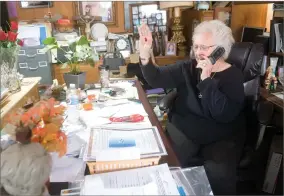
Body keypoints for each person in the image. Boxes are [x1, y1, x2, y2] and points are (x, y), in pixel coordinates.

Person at [138, 20, 246, 195]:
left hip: (221, 135)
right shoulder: (187, 67)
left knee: (219, 177)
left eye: (204, 47)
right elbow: (156, 78)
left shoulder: (233, 76)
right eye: (196, 47)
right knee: (168, 167)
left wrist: (206, 80)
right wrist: (145, 53)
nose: (198, 52)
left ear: (220, 49)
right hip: (186, 128)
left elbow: (223, 114)